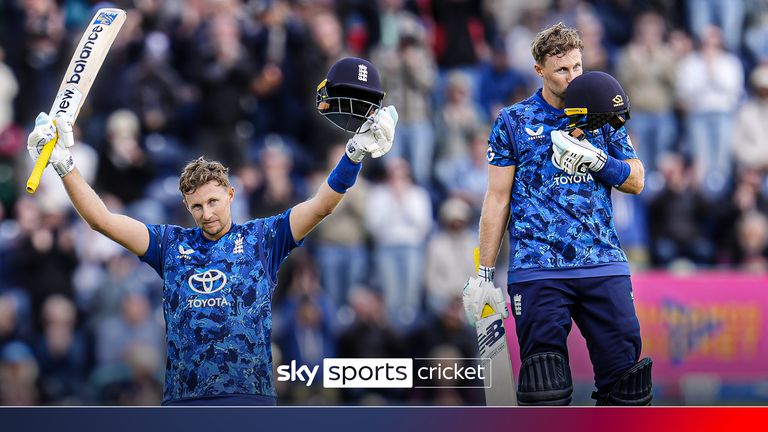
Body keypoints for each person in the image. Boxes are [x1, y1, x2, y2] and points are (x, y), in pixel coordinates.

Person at [26, 57, 398, 406]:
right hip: (184, 402)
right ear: (187, 207)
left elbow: (322, 205)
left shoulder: (263, 238)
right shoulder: (169, 244)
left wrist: (352, 156)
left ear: (231, 194)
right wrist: (64, 165)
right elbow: (101, 220)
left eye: (214, 202)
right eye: (198, 206)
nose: (207, 214)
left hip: (249, 399)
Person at [462, 23, 652, 406]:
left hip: (603, 263)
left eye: (577, 67)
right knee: (544, 389)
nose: (572, 76)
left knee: (627, 389)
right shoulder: (513, 121)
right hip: (538, 269)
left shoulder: (602, 110)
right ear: (539, 70)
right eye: (562, 69)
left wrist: (599, 161)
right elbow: (496, 199)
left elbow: (636, 180)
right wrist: (483, 273)